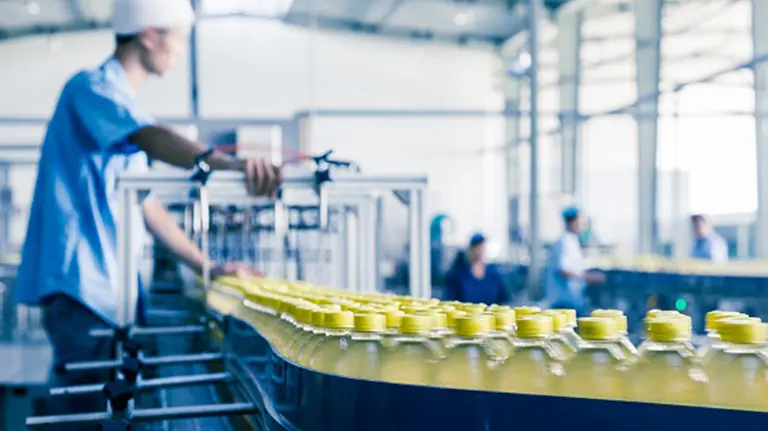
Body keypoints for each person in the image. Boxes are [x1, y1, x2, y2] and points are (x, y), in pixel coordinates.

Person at [15, 0, 280, 421]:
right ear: (150, 34)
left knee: (104, 411)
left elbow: (147, 207)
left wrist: (207, 266)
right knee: (82, 414)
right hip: (82, 291)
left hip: (107, 294)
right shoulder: (90, 90)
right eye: (179, 39)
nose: (180, 52)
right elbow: (151, 136)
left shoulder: (122, 109)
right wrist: (225, 163)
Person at [544, 207, 604, 314]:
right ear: (573, 222)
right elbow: (563, 270)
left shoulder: (572, 240)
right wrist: (589, 277)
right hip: (563, 303)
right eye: (581, 221)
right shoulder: (564, 242)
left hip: (573, 300)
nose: (584, 224)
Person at [444, 233, 509, 304]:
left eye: (482, 247)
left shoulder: (492, 273)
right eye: (477, 247)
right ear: (470, 249)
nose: (480, 251)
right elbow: (450, 301)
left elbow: (503, 297)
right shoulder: (459, 275)